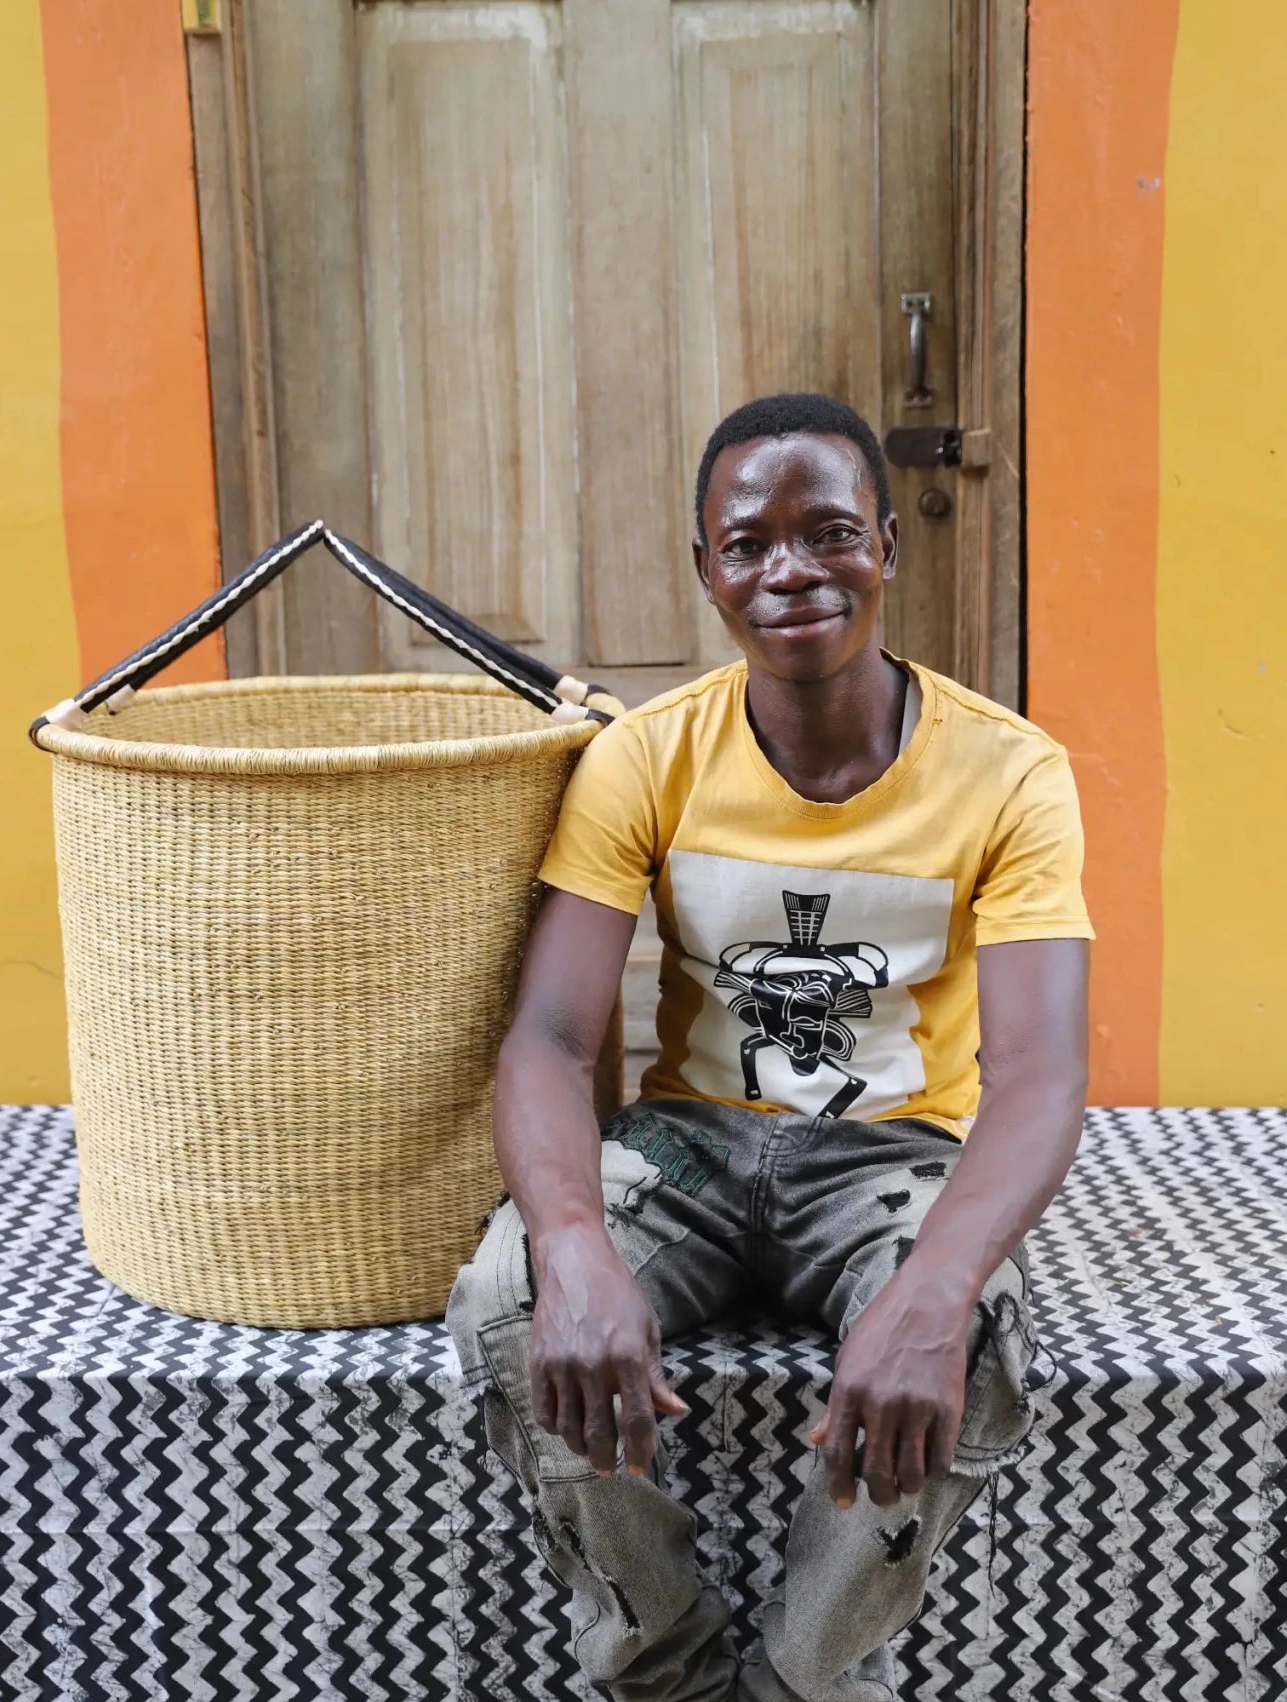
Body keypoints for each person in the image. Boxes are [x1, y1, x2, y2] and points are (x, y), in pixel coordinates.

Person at [447, 392, 1092, 1701]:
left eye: (829, 532)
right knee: (513, 1297)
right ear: (705, 572)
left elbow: (1040, 1071)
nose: (789, 568)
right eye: (747, 544)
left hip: (892, 1152)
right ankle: (669, 1670)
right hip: (688, 1141)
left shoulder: (1009, 773)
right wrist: (572, 1244)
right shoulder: (644, 757)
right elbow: (550, 1040)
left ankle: (801, 1681)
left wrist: (935, 1286)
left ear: (888, 549)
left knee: (966, 1339)